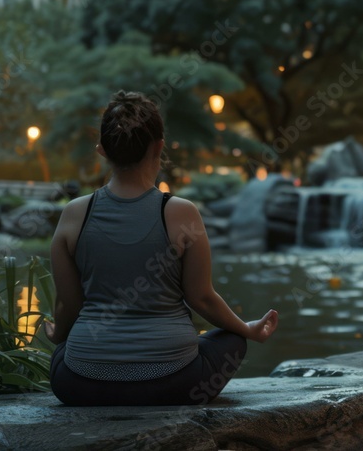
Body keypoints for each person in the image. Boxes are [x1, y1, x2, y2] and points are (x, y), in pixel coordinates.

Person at [45, 90, 278, 406]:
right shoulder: (182, 212)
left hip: (82, 386)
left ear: (102, 150)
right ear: (159, 146)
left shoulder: (74, 213)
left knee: (63, 349)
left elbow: (68, 306)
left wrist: (58, 335)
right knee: (232, 339)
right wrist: (247, 328)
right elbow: (202, 298)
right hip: (175, 383)